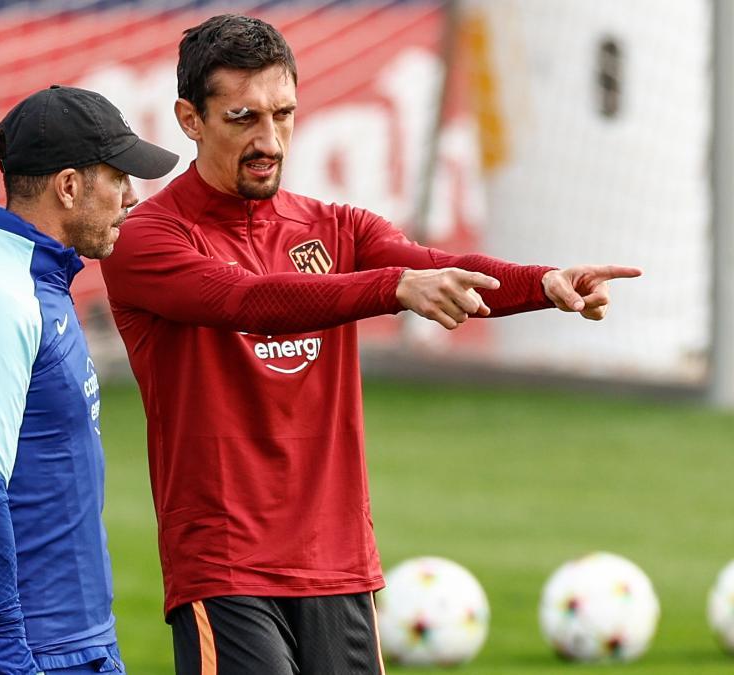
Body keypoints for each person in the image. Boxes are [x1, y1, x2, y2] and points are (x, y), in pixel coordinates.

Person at [99, 14, 641, 675]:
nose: (269, 139)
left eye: (284, 114)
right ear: (190, 118)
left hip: (339, 562)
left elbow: (436, 265)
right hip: (225, 564)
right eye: (243, 118)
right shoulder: (148, 238)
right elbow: (246, 301)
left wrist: (545, 282)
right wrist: (391, 287)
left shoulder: (337, 226)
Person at [0, 85, 178, 675]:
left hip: (77, 645)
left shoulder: (42, 290)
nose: (132, 197)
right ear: (69, 186)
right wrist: (11, 655)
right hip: (16, 654)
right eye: (118, 177)